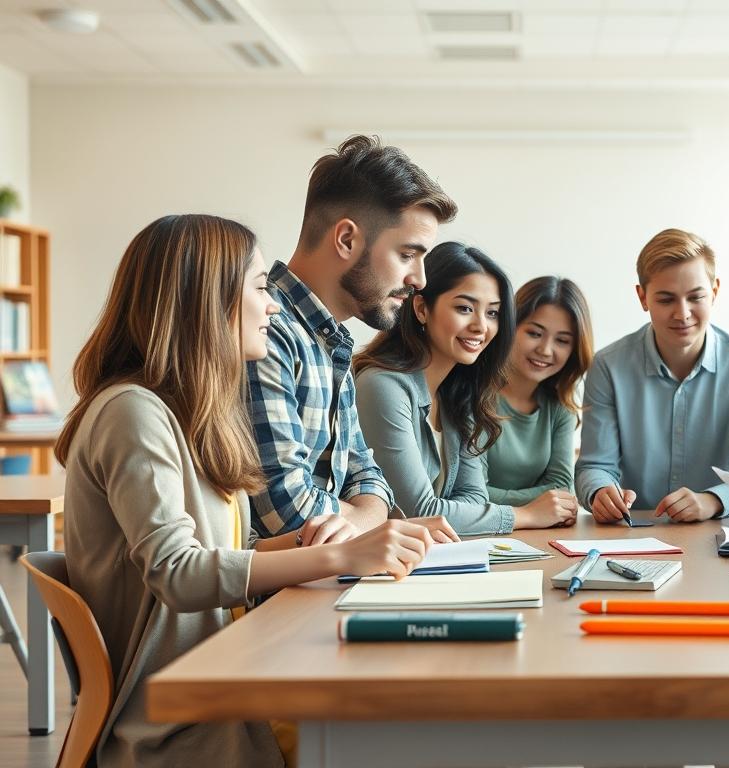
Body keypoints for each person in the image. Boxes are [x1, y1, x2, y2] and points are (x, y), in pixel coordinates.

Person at [57, 215, 436, 767]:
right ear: (204, 302)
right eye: (261, 288)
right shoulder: (131, 413)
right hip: (188, 720)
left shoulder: (183, 415)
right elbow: (179, 574)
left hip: (223, 677)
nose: (274, 306)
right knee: (403, 732)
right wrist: (338, 554)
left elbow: (222, 555)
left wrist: (332, 541)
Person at [248, 134, 458, 545]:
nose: (420, 280)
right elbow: (287, 513)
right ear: (346, 239)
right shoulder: (263, 331)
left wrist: (367, 517)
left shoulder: (331, 340)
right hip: (280, 600)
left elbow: (371, 482)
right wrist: (371, 520)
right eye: (407, 255)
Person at [355, 243, 578, 533]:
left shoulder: (460, 393)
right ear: (422, 308)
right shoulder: (383, 385)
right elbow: (417, 512)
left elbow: (475, 497)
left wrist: (472, 513)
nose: (480, 326)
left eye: (492, 313)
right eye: (464, 308)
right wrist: (524, 516)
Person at [577, 228, 729, 523]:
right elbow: (594, 465)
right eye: (666, 300)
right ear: (643, 297)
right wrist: (600, 492)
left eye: (695, 297)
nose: (682, 314)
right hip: (633, 532)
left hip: (719, 531)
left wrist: (713, 500)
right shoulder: (608, 366)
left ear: (715, 292)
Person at [481, 276, 594, 515]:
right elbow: (472, 492)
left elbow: (563, 488)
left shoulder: (560, 407)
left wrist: (513, 503)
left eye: (562, 341)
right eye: (534, 333)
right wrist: (536, 506)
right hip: (473, 533)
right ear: (510, 327)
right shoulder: (475, 393)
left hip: (538, 535)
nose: (545, 350)